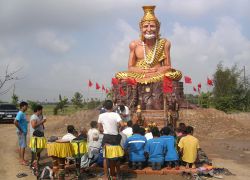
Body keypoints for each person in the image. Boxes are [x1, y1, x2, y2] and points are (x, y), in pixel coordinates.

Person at [115, 6, 182, 110]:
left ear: (158, 28)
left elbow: (168, 66)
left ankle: (168, 102)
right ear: (141, 28)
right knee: (120, 75)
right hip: (139, 74)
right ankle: (128, 103)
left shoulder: (164, 43)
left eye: (152, 26)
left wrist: (156, 69)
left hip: (157, 73)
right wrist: (143, 70)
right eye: (146, 26)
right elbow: (130, 67)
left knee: (175, 74)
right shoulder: (134, 44)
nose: (149, 29)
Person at [98, 100, 124, 179]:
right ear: (112, 106)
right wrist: (118, 129)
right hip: (115, 137)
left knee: (106, 157)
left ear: (105, 107)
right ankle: (118, 175)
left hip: (106, 137)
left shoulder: (101, 115)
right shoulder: (116, 115)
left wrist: (105, 131)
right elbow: (122, 124)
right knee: (116, 156)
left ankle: (106, 176)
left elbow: (99, 128)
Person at [14, 101, 29, 165]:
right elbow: (15, 122)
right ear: (23, 106)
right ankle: (22, 160)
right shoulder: (20, 113)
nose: (27, 108)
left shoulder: (22, 113)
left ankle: (21, 159)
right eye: (26, 106)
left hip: (22, 131)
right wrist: (21, 130)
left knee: (21, 145)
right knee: (23, 146)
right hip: (22, 132)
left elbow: (21, 122)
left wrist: (26, 122)